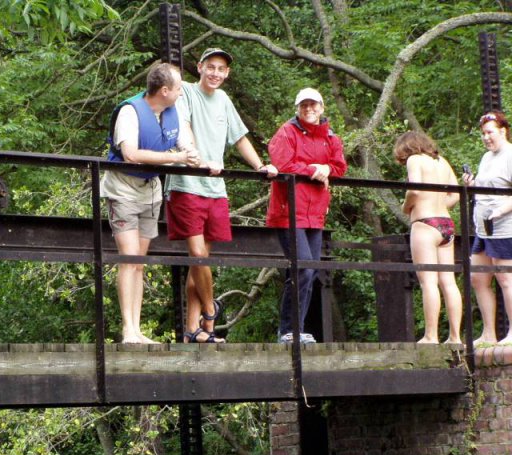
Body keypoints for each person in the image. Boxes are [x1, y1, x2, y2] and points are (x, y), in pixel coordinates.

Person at [165, 47, 278, 343]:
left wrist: (260, 166)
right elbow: (183, 127)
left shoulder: (224, 100)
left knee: (200, 262)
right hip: (187, 184)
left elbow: (239, 137)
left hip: (215, 189)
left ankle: (193, 330)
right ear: (200, 67)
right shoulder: (186, 92)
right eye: (211, 66)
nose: (215, 73)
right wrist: (199, 160)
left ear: (227, 73)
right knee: (198, 255)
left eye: (221, 69)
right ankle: (210, 312)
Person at [102, 62, 199, 344]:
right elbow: (131, 154)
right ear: (165, 90)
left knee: (139, 262)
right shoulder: (130, 112)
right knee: (129, 257)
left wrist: (193, 155)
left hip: (150, 191)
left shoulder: (172, 111)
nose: (181, 93)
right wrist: (177, 158)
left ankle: (137, 330)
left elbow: (185, 142)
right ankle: (128, 330)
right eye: (179, 88)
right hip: (123, 189)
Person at [266, 88, 347, 344]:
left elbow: (340, 167)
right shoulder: (286, 132)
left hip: (315, 213)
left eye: (313, 105)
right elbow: (283, 164)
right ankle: (288, 330)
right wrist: (314, 169)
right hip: (289, 211)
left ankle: (296, 330)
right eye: (304, 105)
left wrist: (327, 168)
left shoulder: (330, 137)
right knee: (303, 267)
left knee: (310, 270)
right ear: (297, 109)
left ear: (322, 107)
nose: (309, 109)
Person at [395, 131, 462, 344]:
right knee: (449, 282)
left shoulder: (414, 159)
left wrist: (406, 207)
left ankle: (431, 336)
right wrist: (439, 204)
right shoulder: (442, 161)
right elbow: (456, 195)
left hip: (425, 223)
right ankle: (455, 337)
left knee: (429, 282)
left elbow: (414, 190)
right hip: (446, 224)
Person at [463, 110, 512, 345]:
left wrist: (501, 211)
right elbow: (484, 188)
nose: (486, 137)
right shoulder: (485, 158)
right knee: (478, 278)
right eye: (483, 133)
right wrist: (471, 184)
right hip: (483, 228)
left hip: (504, 227)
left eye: (490, 132)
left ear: (503, 131)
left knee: (506, 279)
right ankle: (489, 334)